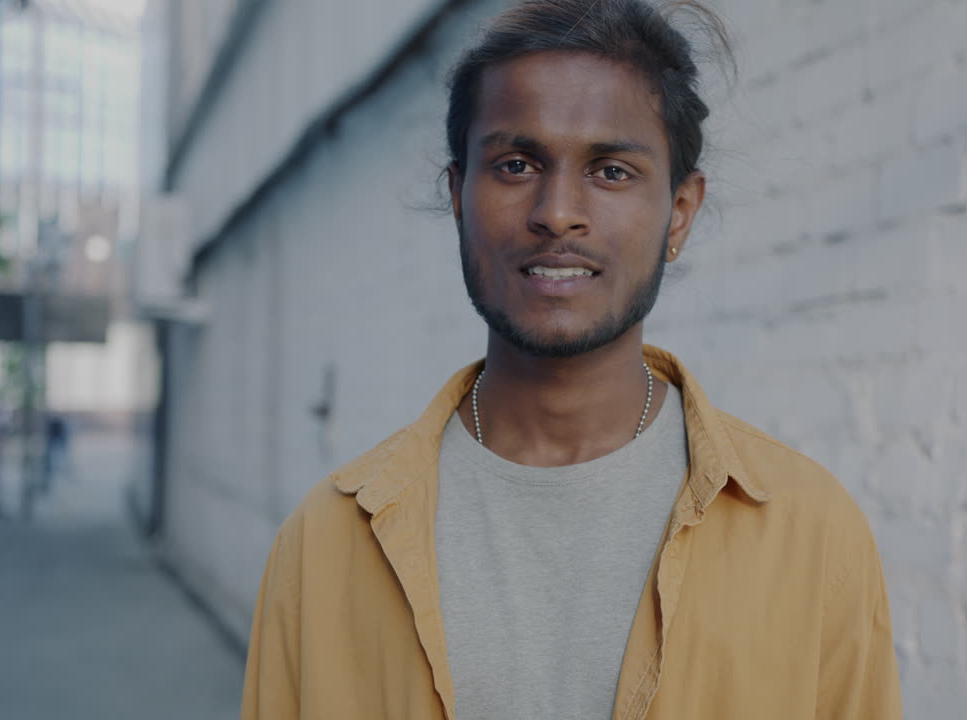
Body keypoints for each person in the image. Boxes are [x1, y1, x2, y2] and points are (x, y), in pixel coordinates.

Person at [241, 1, 902, 718]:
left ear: (679, 213)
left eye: (612, 171)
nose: (557, 212)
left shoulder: (810, 534)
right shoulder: (325, 544)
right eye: (516, 164)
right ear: (459, 196)